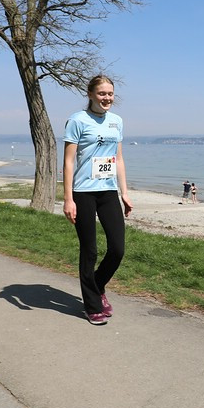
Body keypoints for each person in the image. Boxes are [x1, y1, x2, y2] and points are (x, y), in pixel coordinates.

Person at [63, 74, 132, 325]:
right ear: (90, 94)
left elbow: (119, 159)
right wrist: (68, 198)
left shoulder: (117, 122)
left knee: (117, 249)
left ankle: (98, 285)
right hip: (83, 192)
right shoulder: (77, 120)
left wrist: (124, 192)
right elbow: (69, 162)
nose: (107, 98)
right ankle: (92, 306)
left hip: (108, 191)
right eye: (102, 93)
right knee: (89, 250)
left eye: (110, 94)